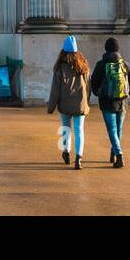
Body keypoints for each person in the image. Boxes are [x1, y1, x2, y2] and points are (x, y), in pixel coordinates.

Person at [46, 35, 90, 170]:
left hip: (64, 104)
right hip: (80, 104)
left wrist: (51, 106)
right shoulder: (84, 66)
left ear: (63, 51)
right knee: (79, 131)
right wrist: (86, 103)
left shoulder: (59, 68)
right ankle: (79, 158)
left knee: (66, 129)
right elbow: (89, 87)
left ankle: (66, 152)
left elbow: (55, 90)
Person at [90, 37, 130, 168]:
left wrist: (97, 93)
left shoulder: (101, 65)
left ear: (106, 49)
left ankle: (119, 154)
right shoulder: (125, 64)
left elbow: (94, 83)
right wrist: (124, 96)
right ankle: (113, 152)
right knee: (118, 129)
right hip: (122, 102)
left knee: (112, 129)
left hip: (107, 102)